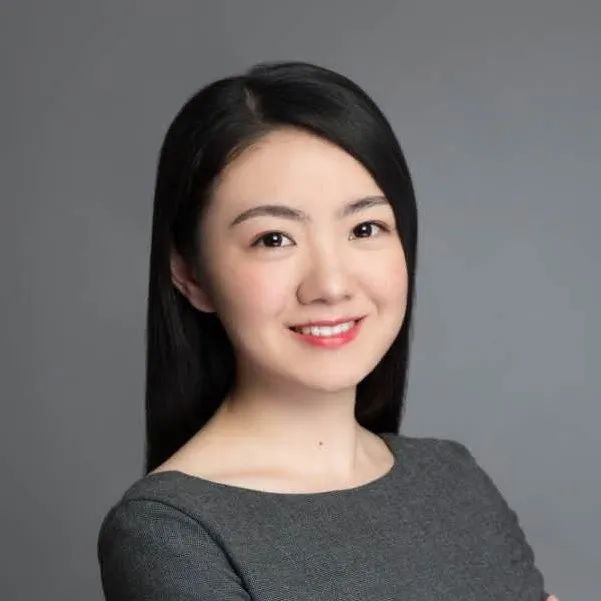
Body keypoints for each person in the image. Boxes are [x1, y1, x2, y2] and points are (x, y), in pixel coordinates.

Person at [96, 60, 557, 600]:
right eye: (273, 239)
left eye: (365, 228)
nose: (331, 285)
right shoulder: (170, 534)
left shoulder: (454, 480)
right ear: (191, 274)